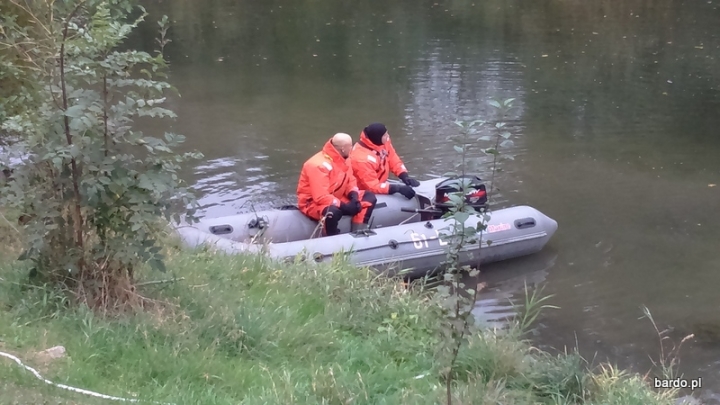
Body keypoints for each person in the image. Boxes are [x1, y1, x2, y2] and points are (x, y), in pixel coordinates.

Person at [297, 133, 377, 236]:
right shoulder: (317, 165)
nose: (352, 148)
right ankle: (331, 238)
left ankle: (358, 231)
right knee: (332, 213)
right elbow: (321, 197)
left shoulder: (345, 159)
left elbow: (350, 180)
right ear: (343, 148)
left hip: (336, 196)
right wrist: (343, 206)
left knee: (368, 197)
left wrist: (354, 197)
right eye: (350, 146)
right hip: (313, 203)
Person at [348, 122, 420, 200]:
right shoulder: (361, 159)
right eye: (385, 135)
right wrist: (397, 188)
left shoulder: (383, 142)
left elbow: (393, 158)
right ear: (377, 137)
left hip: (379, 182)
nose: (388, 136)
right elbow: (372, 186)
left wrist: (404, 176)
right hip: (364, 189)